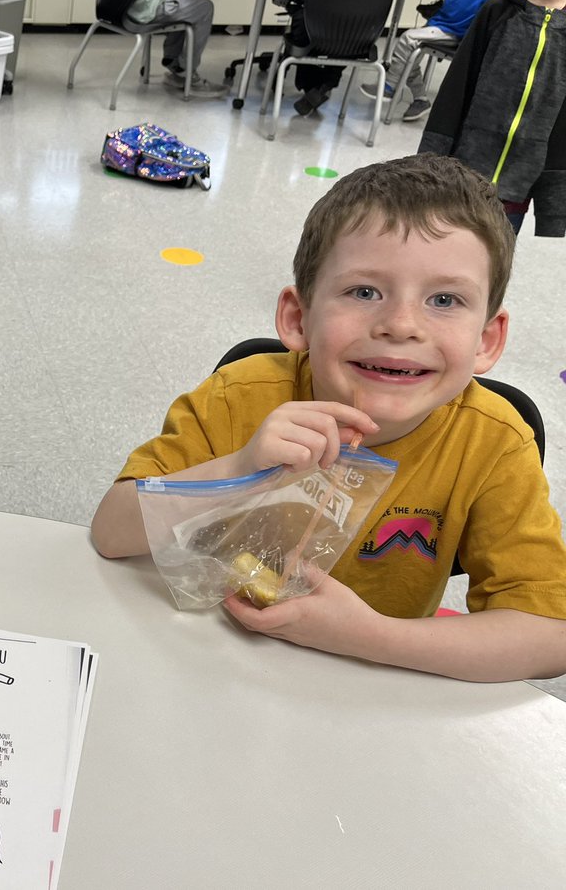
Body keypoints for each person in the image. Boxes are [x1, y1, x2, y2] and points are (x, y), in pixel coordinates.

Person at [91, 154, 566, 683]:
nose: (401, 324)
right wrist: (238, 467)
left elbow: (550, 634)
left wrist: (367, 636)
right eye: (365, 292)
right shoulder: (240, 397)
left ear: (487, 340)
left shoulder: (492, 442)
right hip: (204, 663)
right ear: (298, 317)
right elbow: (111, 532)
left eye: (445, 299)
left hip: (375, 679)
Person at [419, 0, 566, 236]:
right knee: (443, 249)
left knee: (493, 263)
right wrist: (428, 164)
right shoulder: (498, 10)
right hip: (462, 172)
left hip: (518, 186)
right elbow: (457, 89)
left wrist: (553, 205)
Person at [360, 0, 500, 122]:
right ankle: (420, 99)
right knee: (408, 58)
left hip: (456, 32)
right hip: (440, 23)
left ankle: (389, 86)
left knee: (408, 38)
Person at [125, 0, 229, 98]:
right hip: (146, 5)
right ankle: (187, 74)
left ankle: (175, 64)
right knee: (205, 8)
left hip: (125, 4)